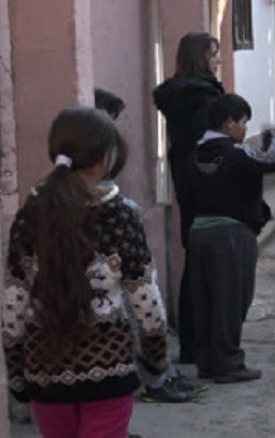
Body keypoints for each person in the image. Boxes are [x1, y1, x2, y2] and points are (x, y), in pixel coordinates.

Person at [2, 107, 168, 437]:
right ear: (107, 156)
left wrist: (18, 378)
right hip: (109, 376)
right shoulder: (121, 215)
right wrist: (156, 362)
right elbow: (147, 303)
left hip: (44, 375)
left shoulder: (30, 215)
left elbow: (13, 307)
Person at [93, 88, 203, 402]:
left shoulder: (43, 208)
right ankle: (155, 379)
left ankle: (157, 375)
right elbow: (147, 302)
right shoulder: (115, 212)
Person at [188, 94, 275, 383]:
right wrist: (274, 136)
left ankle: (206, 360)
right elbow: (272, 161)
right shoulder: (236, 153)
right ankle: (228, 362)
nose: (244, 130)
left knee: (204, 299)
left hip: (198, 233)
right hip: (232, 234)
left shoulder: (194, 154)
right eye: (243, 123)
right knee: (231, 300)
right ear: (229, 123)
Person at [153, 32, 225, 364]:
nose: (218, 60)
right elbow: (207, 144)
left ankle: (191, 344)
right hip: (205, 184)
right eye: (213, 54)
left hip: (183, 180)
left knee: (194, 261)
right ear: (200, 57)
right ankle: (205, 343)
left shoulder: (177, 95)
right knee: (208, 265)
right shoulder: (205, 97)